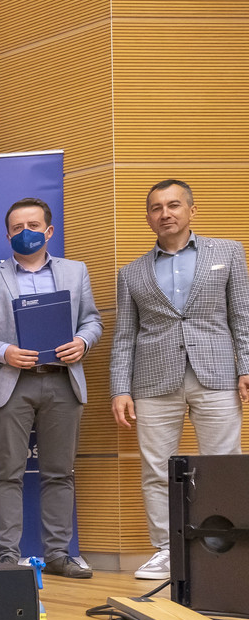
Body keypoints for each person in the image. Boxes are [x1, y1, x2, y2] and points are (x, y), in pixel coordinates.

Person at [110, 179, 249, 580]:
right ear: (148, 217)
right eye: (156, 208)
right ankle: (167, 550)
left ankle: (224, 547)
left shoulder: (228, 252)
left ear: (191, 210)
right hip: (153, 380)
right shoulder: (131, 273)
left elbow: (241, 315)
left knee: (222, 465)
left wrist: (246, 366)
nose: (165, 213)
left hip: (217, 374)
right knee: (157, 470)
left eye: (173, 205)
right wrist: (120, 389)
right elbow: (124, 337)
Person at [0, 197, 103, 578]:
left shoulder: (76, 271)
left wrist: (83, 342)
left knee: (60, 472)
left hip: (62, 381)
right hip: (11, 385)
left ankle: (58, 555)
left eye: (34, 226)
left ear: (49, 230)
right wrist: (4, 351)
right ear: (8, 235)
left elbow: (92, 321)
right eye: (18, 228)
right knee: (7, 472)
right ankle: (8, 557)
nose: (26, 233)